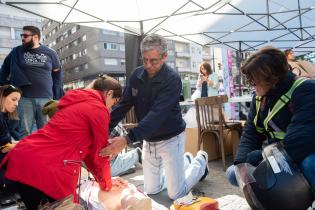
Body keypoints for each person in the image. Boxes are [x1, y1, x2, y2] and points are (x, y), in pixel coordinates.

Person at [100, 34, 209, 200]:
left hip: (171, 138)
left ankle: (200, 161)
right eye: (144, 60)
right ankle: (184, 161)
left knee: (176, 194)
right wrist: (103, 128)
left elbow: (156, 116)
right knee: (151, 190)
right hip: (149, 140)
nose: (148, 65)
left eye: (153, 61)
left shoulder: (172, 79)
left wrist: (126, 139)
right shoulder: (136, 75)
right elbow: (123, 105)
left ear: (164, 57)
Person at [0, 75, 123, 209]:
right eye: (113, 102)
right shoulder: (99, 109)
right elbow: (100, 153)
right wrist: (107, 185)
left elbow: (89, 154)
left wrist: (103, 181)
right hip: (46, 169)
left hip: (24, 158)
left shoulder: (74, 103)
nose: (110, 108)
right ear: (109, 93)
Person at [226, 46, 315, 191]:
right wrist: (241, 165)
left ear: (272, 78)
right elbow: (250, 134)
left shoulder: (306, 89)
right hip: (277, 155)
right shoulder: (260, 98)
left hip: (301, 153)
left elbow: (300, 140)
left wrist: (262, 157)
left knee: (311, 164)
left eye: (254, 81)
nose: (252, 86)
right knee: (233, 173)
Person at [0, 25, 63, 137]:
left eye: (25, 35)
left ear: (35, 37)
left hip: (46, 99)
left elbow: (57, 72)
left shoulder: (50, 52)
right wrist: (3, 87)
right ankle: (25, 154)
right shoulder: (16, 51)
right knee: (24, 132)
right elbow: (5, 68)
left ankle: (44, 154)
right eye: (21, 35)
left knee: (46, 132)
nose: (22, 38)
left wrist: (57, 94)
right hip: (23, 98)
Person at [0, 85, 22, 188]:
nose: (16, 104)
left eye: (17, 101)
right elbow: (4, 148)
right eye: (13, 99)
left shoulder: (4, 117)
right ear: (2, 97)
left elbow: (6, 143)